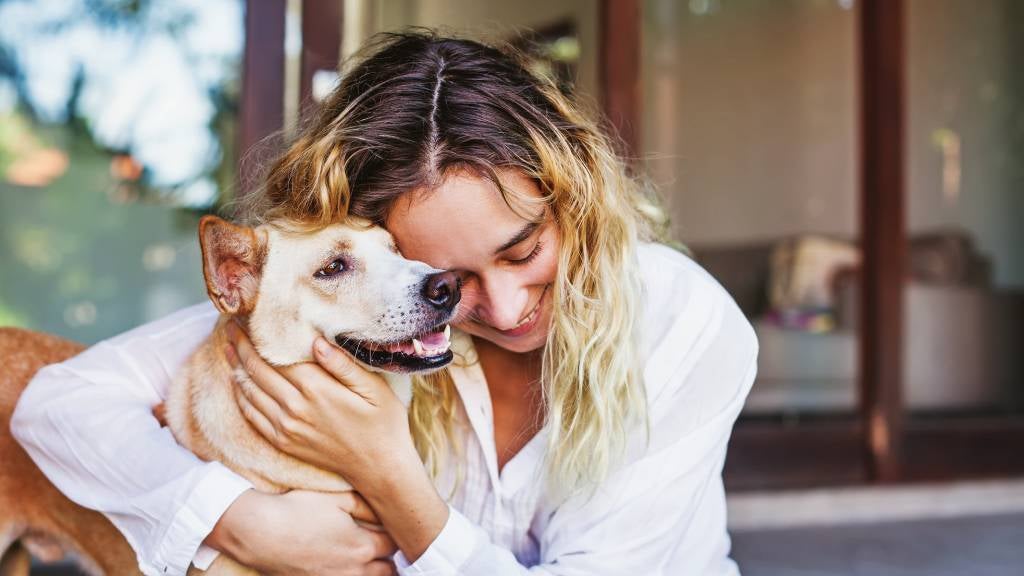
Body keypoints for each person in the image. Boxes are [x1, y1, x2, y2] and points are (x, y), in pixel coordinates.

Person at [11, 31, 758, 576]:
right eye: (443, 279)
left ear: (576, 200)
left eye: (523, 250)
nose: (502, 309)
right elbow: (58, 404)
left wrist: (383, 467)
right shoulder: (369, 308)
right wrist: (244, 523)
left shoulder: (678, 317)